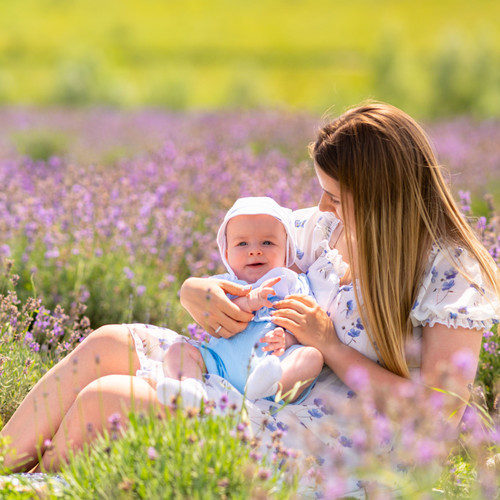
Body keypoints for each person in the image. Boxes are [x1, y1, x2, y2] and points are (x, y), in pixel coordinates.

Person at [2, 102, 499, 492]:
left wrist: (331, 347)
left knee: (105, 400)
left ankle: (37, 489)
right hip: (252, 385)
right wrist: (196, 291)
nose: (323, 205)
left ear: (380, 194)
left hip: (325, 438)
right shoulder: (325, 231)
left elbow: (437, 416)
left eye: (336, 194)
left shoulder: (451, 271)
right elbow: (240, 260)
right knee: (108, 343)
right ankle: (10, 474)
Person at [155, 196, 342, 407]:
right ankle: (190, 386)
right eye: (242, 243)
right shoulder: (223, 284)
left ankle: (271, 390)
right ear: (226, 253)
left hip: (274, 364)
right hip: (218, 362)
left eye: (267, 242)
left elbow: (307, 325)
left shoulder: (294, 284)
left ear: (287, 250)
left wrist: (288, 339)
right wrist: (248, 302)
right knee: (178, 350)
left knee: (311, 357)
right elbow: (219, 314)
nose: (254, 250)